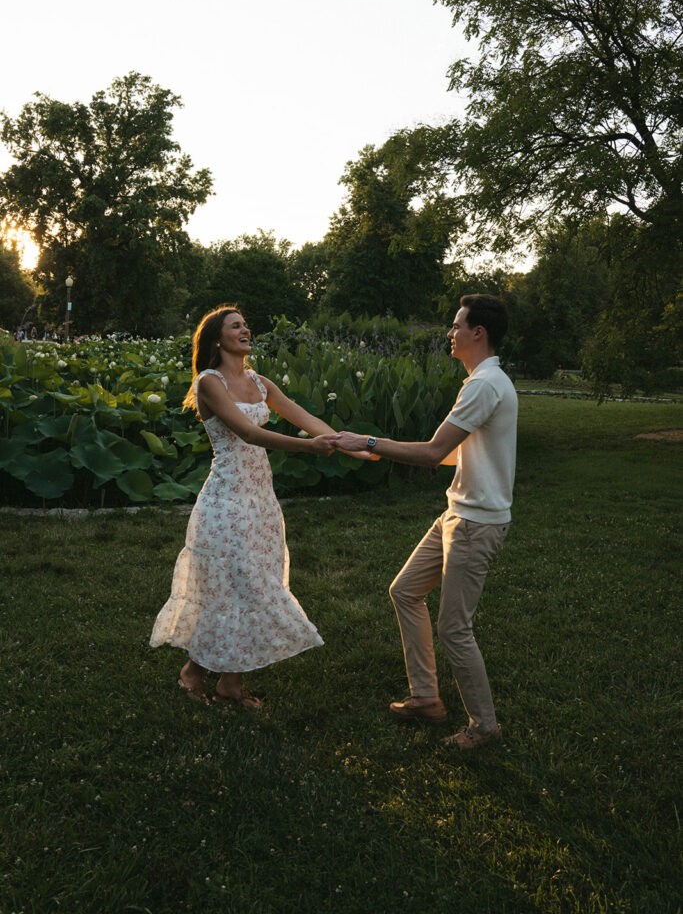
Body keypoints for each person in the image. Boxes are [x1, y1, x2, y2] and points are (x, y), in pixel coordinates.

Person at [150, 304, 372, 709]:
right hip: (226, 502)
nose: (245, 330)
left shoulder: (259, 381)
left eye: (246, 324)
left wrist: (347, 444)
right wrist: (311, 447)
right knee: (229, 589)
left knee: (251, 588)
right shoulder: (208, 382)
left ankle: (222, 683)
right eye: (236, 326)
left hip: (261, 501)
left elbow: (303, 416)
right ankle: (201, 676)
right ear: (217, 338)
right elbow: (250, 434)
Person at [330, 294, 517, 750]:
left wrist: (370, 440)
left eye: (456, 326)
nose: (449, 333)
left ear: (479, 333)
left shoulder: (484, 384)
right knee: (405, 590)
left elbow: (433, 452)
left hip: (475, 524)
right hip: (458, 513)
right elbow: (450, 454)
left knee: (455, 628)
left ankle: (484, 727)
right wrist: (377, 447)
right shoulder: (482, 382)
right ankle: (426, 698)